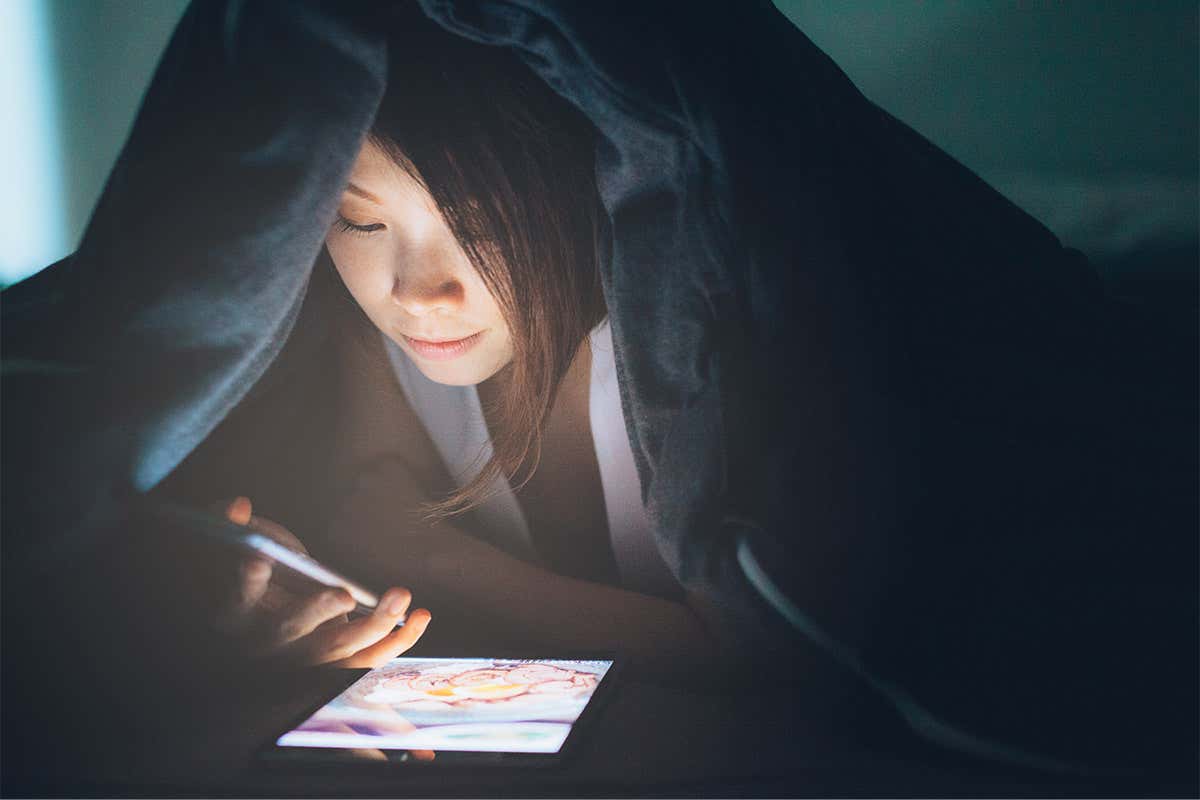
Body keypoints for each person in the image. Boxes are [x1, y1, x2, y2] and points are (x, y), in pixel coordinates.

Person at [2, 0, 1195, 781]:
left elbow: (768, 652)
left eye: (479, 231)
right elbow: (358, 500)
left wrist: (426, 566)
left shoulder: (693, 345)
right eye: (359, 222)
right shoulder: (366, 340)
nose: (418, 288)